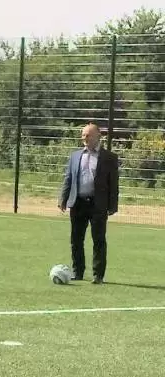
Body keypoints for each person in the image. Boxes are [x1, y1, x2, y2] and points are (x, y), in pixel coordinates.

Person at [58, 122, 120, 284]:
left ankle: (98, 275)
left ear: (98, 136)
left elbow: (114, 184)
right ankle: (77, 272)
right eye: (83, 135)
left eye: (88, 135)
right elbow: (68, 179)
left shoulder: (109, 158)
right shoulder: (75, 156)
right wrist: (63, 199)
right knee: (76, 240)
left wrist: (113, 206)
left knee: (98, 240)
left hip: (97, 204)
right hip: (78, 203)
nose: (85, 138)